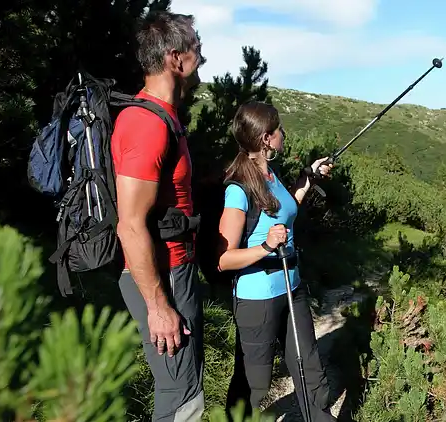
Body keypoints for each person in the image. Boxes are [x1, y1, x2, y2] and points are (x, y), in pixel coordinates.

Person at [111, 11, 205, 422]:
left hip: (176, 270)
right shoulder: (146, 123)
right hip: (160, 277)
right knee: (180, 394)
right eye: (197, 50)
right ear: (175, 58)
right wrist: (159, 306)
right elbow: (130, 224)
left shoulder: (165, 119)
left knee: (186, 385)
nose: (201, 58)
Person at [217, 101, 337, 421]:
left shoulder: (271, 174)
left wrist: (309, 176)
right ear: (267, 139)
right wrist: (266, 247)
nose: (283, 132)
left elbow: (286, 209)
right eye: (279, 128)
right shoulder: (238, 189)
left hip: (291, 288)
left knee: (309, 367)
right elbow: (224, 259)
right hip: (257, 298)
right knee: (255, 384)